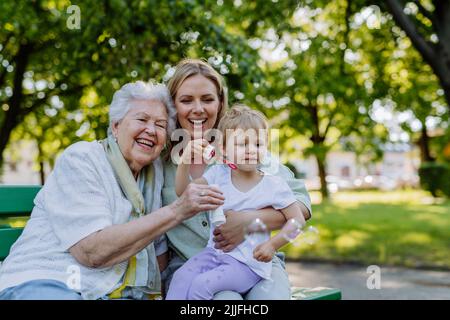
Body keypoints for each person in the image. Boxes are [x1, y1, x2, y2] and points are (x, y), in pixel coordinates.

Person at [0, 81, 224, 300]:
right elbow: (91, 252)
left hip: (115, 293)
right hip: (51, 283)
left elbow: (159, 256)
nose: (151, 130)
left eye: (160, 124)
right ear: (116, 126)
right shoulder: (82, 159)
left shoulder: (153, 175)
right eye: (142, 119)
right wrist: (177, 210)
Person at [162, 58, 312, 300]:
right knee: (223, 299)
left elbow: (301, 208)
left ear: (220, 103)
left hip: (257, 262)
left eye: (208, 99)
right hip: (201, 263)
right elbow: (184, 194)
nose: (198, 108)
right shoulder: (162, 163)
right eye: (186, 100)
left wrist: (250, 222)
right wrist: (184, 162)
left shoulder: (250, 153)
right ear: (173, 106)